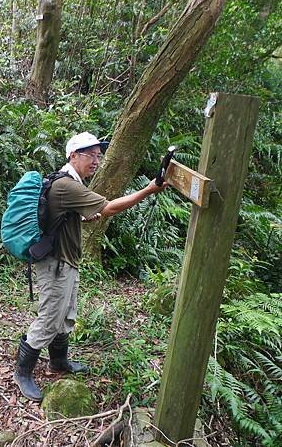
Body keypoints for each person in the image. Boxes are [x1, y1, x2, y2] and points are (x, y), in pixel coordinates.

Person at [14, 132, 167, 401]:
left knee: (66, 315)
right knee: (49, 318)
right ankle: (22, 372)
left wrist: (82, 219)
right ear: (73, 156)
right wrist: (149, 190)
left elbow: (60, 215)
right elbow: (109, 207)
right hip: (55, 265)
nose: (96, 161)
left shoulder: (67, 182)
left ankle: (58, 362)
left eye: (99, 155)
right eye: (91, 155)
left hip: (67, 260)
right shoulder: (66, 186)